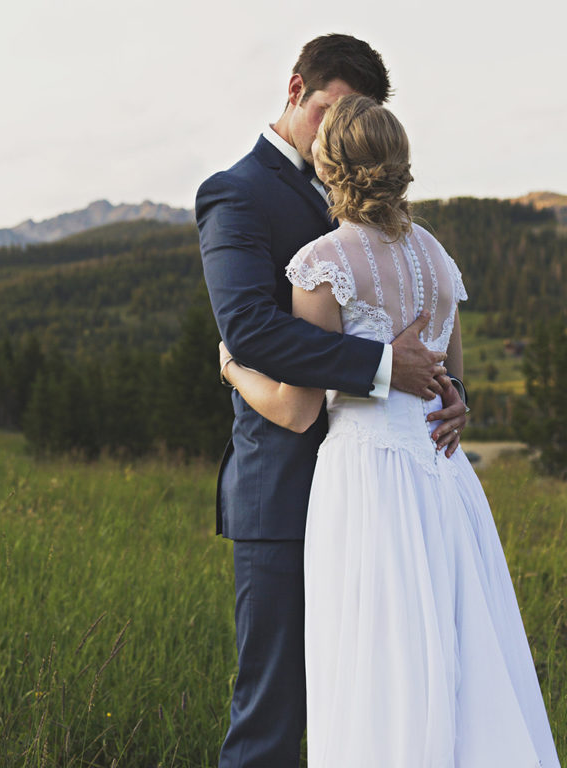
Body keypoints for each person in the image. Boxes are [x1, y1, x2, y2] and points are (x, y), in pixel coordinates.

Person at [220, 94, 560, 766]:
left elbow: (297, 408)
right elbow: (451, 384)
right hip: (443, 477)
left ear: (327, 167)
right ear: (400, 166)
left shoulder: (322, 264)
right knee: (462, 660)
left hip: (368, 481)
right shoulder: (436, 258)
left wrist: (233, 369)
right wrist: (457, 399)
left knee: (378, 661)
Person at [196, 34, 468, 767]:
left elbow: (413, 307)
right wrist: (383, 366)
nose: (339, 134)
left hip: (387, 498)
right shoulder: (236, 192)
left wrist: (450, 389)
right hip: (285, 490)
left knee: (386, 704)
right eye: (330, 110)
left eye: (358, 118)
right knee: (274, 718)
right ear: (295, 90)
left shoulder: (379, 210)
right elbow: (248, 330)